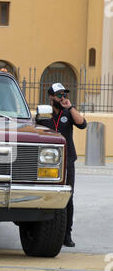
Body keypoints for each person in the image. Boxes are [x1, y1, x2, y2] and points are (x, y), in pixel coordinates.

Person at [36, 83, 87, 247]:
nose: (62, 97)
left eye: (64, 94)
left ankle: (67, 234)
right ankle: (42, 230)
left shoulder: (68, 112)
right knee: (46, 195)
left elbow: (82, 124)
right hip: (47, 162)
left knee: (68, 197)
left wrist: (70, 107)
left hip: (67, 160)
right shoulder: (44, 114)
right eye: (59, 95)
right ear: (51, 97)